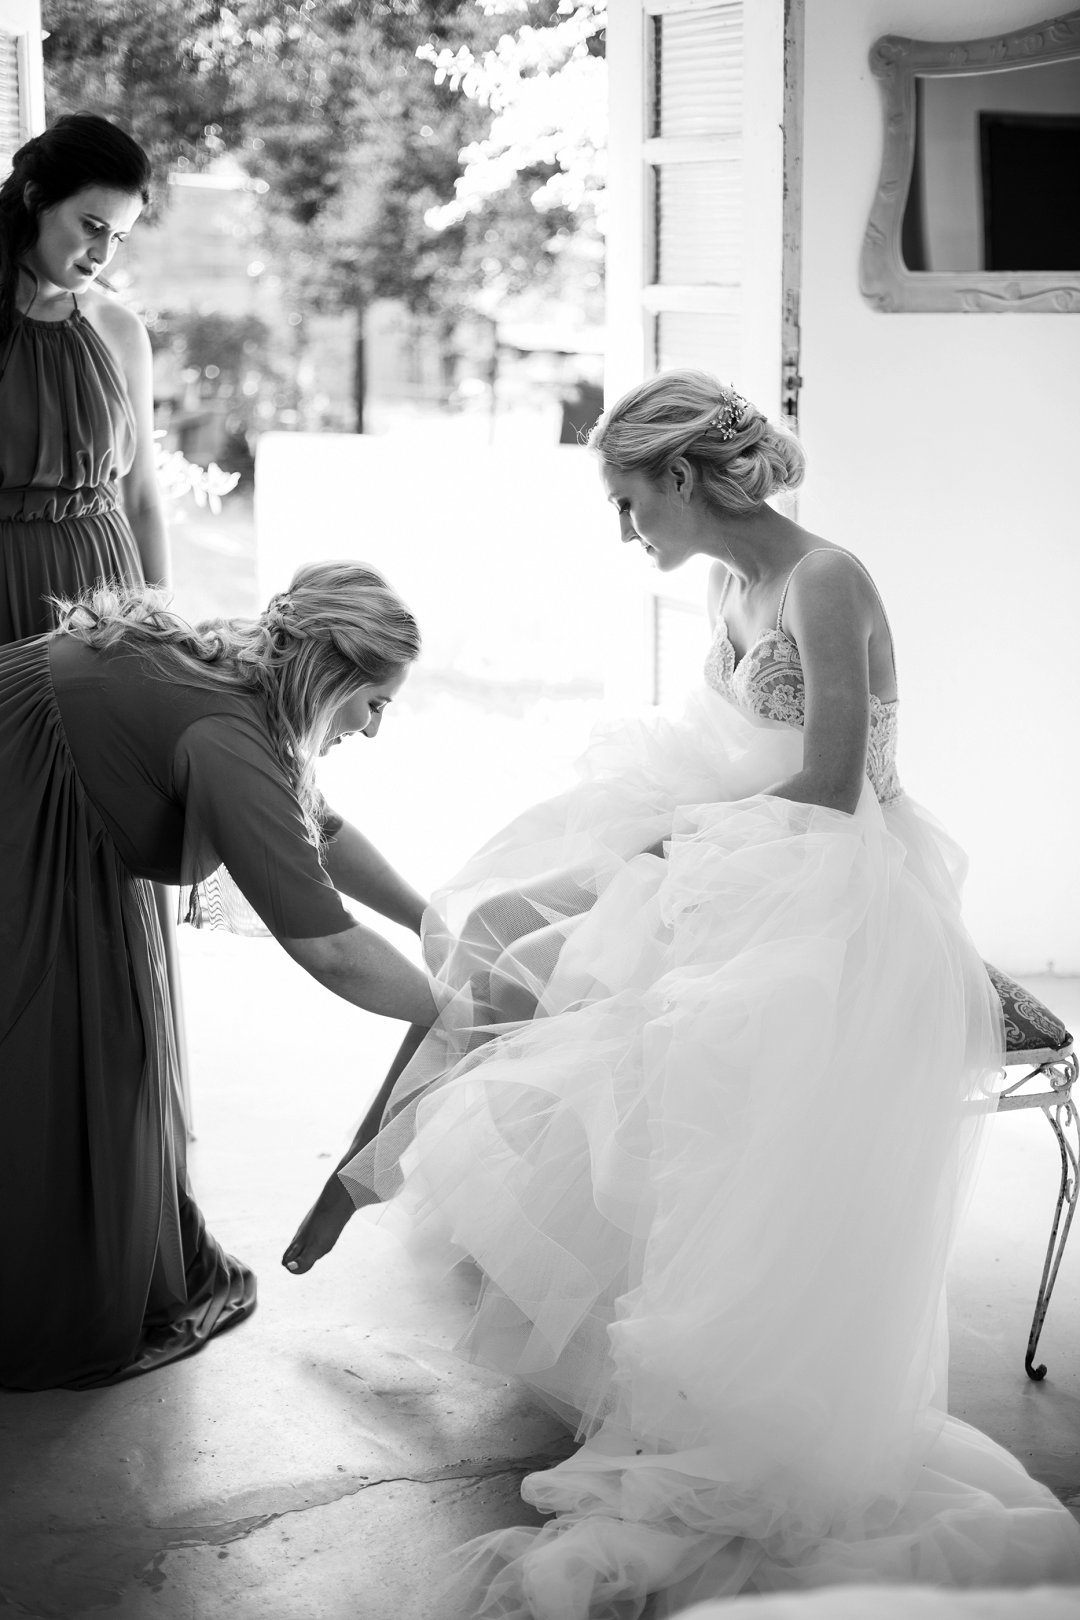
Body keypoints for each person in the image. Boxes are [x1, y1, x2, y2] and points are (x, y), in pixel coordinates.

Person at [285, 371, 1080, 1613]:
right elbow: (728, 746)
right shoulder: (725, 581)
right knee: (500, 928)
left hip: (832, 880)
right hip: (734, 847)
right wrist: (649, 844)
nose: (626, 528)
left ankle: (696, 1371)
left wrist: (672, 847)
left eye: (627, 499)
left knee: (662, 1038)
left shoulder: (827, 578)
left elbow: (828, 782)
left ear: (682, 477)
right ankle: (388, 1174)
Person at [0, 561, 436, 1390]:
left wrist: (429, 920)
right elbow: (329, 948)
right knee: (32, 1057)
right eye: (375, 703)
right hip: (18, 807)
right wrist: (464, 1009)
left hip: (41, 786)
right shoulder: (226, 736)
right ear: (329, 674)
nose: (375, 730)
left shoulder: (248, 679)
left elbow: (315, 827)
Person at [0, 112, 192, 1124]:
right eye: (88, 225)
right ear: (33, 201)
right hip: (2, 610)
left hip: (99, 610)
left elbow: (145, 492)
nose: (101, 252)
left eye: (119, 233)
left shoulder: (117, 326)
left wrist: (161, 636)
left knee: (101, 868)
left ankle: (104, 1130)